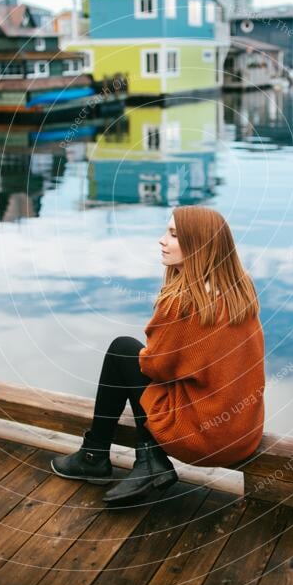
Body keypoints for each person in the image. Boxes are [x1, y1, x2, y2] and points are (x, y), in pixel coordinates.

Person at [50, 206, 266, 506]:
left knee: (122, 350)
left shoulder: (185, 303)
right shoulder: (239, 293)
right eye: (166, 232)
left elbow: (155, 367)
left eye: (174, 235)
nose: (162, 241)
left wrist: (155, 345)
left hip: (202, 439)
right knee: (141, 360)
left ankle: (96, 455)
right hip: (242, 433)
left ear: (199, 244)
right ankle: (141, 459)